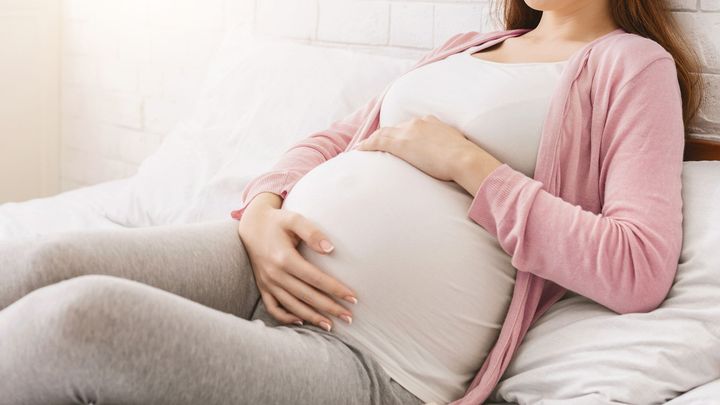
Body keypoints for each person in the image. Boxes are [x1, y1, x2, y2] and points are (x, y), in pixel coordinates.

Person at [0, 0, 703, 404]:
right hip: (260, 261)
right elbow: (333, 137)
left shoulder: (632, 65)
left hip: (368, 356)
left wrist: (467, 162)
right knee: (40, 260)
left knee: (79, 319)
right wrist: (265, 211)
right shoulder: (471, 46)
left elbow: (636, 265)